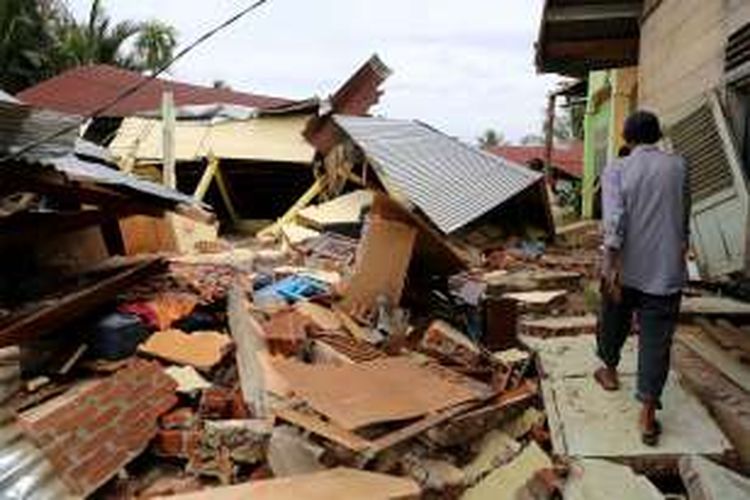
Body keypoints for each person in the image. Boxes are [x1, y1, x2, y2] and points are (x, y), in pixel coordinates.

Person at [594, 110, 690, 446]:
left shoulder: (617, 169)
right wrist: (682, 249)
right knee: (656, 341)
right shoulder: (679, 166)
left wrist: (611, 267)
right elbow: (684, 214)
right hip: (665, 271)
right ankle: (648, 413)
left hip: (626, 268)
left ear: (626, 137)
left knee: (612, 320)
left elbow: (615, 220)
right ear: (657, 135)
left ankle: (608, 371)